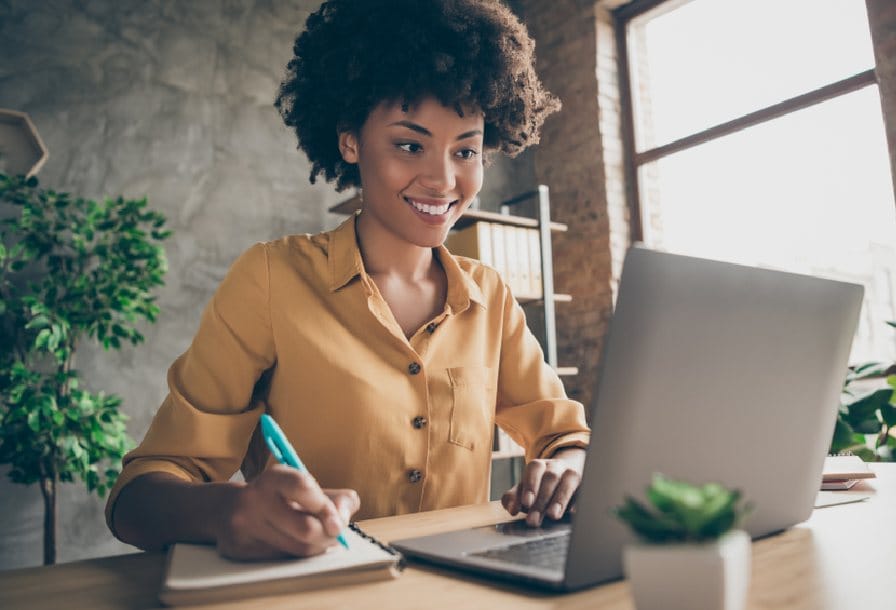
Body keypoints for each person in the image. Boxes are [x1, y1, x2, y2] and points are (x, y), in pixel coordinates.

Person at [107, 0, 590, 560]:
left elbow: (564, 436)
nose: (442, 180)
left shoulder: (491, 299)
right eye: (410, 145)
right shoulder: (271, 280)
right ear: (350, 142)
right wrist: (230, 511)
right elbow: (136, 500)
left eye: (466, 150)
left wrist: (566, 467)